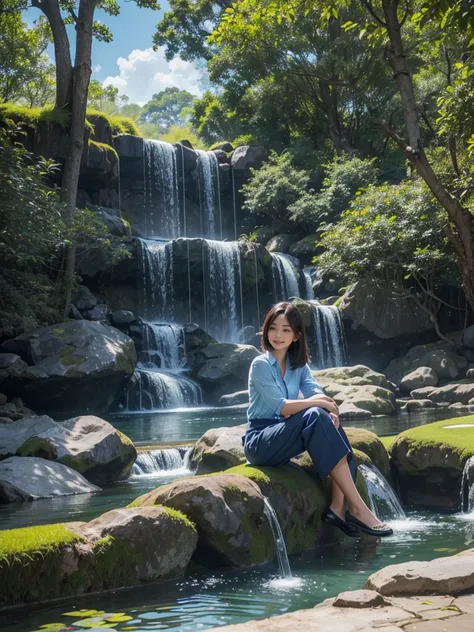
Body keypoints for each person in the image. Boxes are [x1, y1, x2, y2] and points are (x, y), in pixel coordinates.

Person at [243, 302, 393, 538]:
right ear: (265, 331)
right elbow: (281, 407)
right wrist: (319, 404)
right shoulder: (260, 364)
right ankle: (357, 507)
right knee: (315, 413)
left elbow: (316, 391)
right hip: (261, 442)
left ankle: (337, 506)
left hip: (285, 434)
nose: (278, 335)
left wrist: (328, 407)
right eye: (273, 328)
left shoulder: (298, 366)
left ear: (296, 335)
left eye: (286, 330)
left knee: (326, 418)